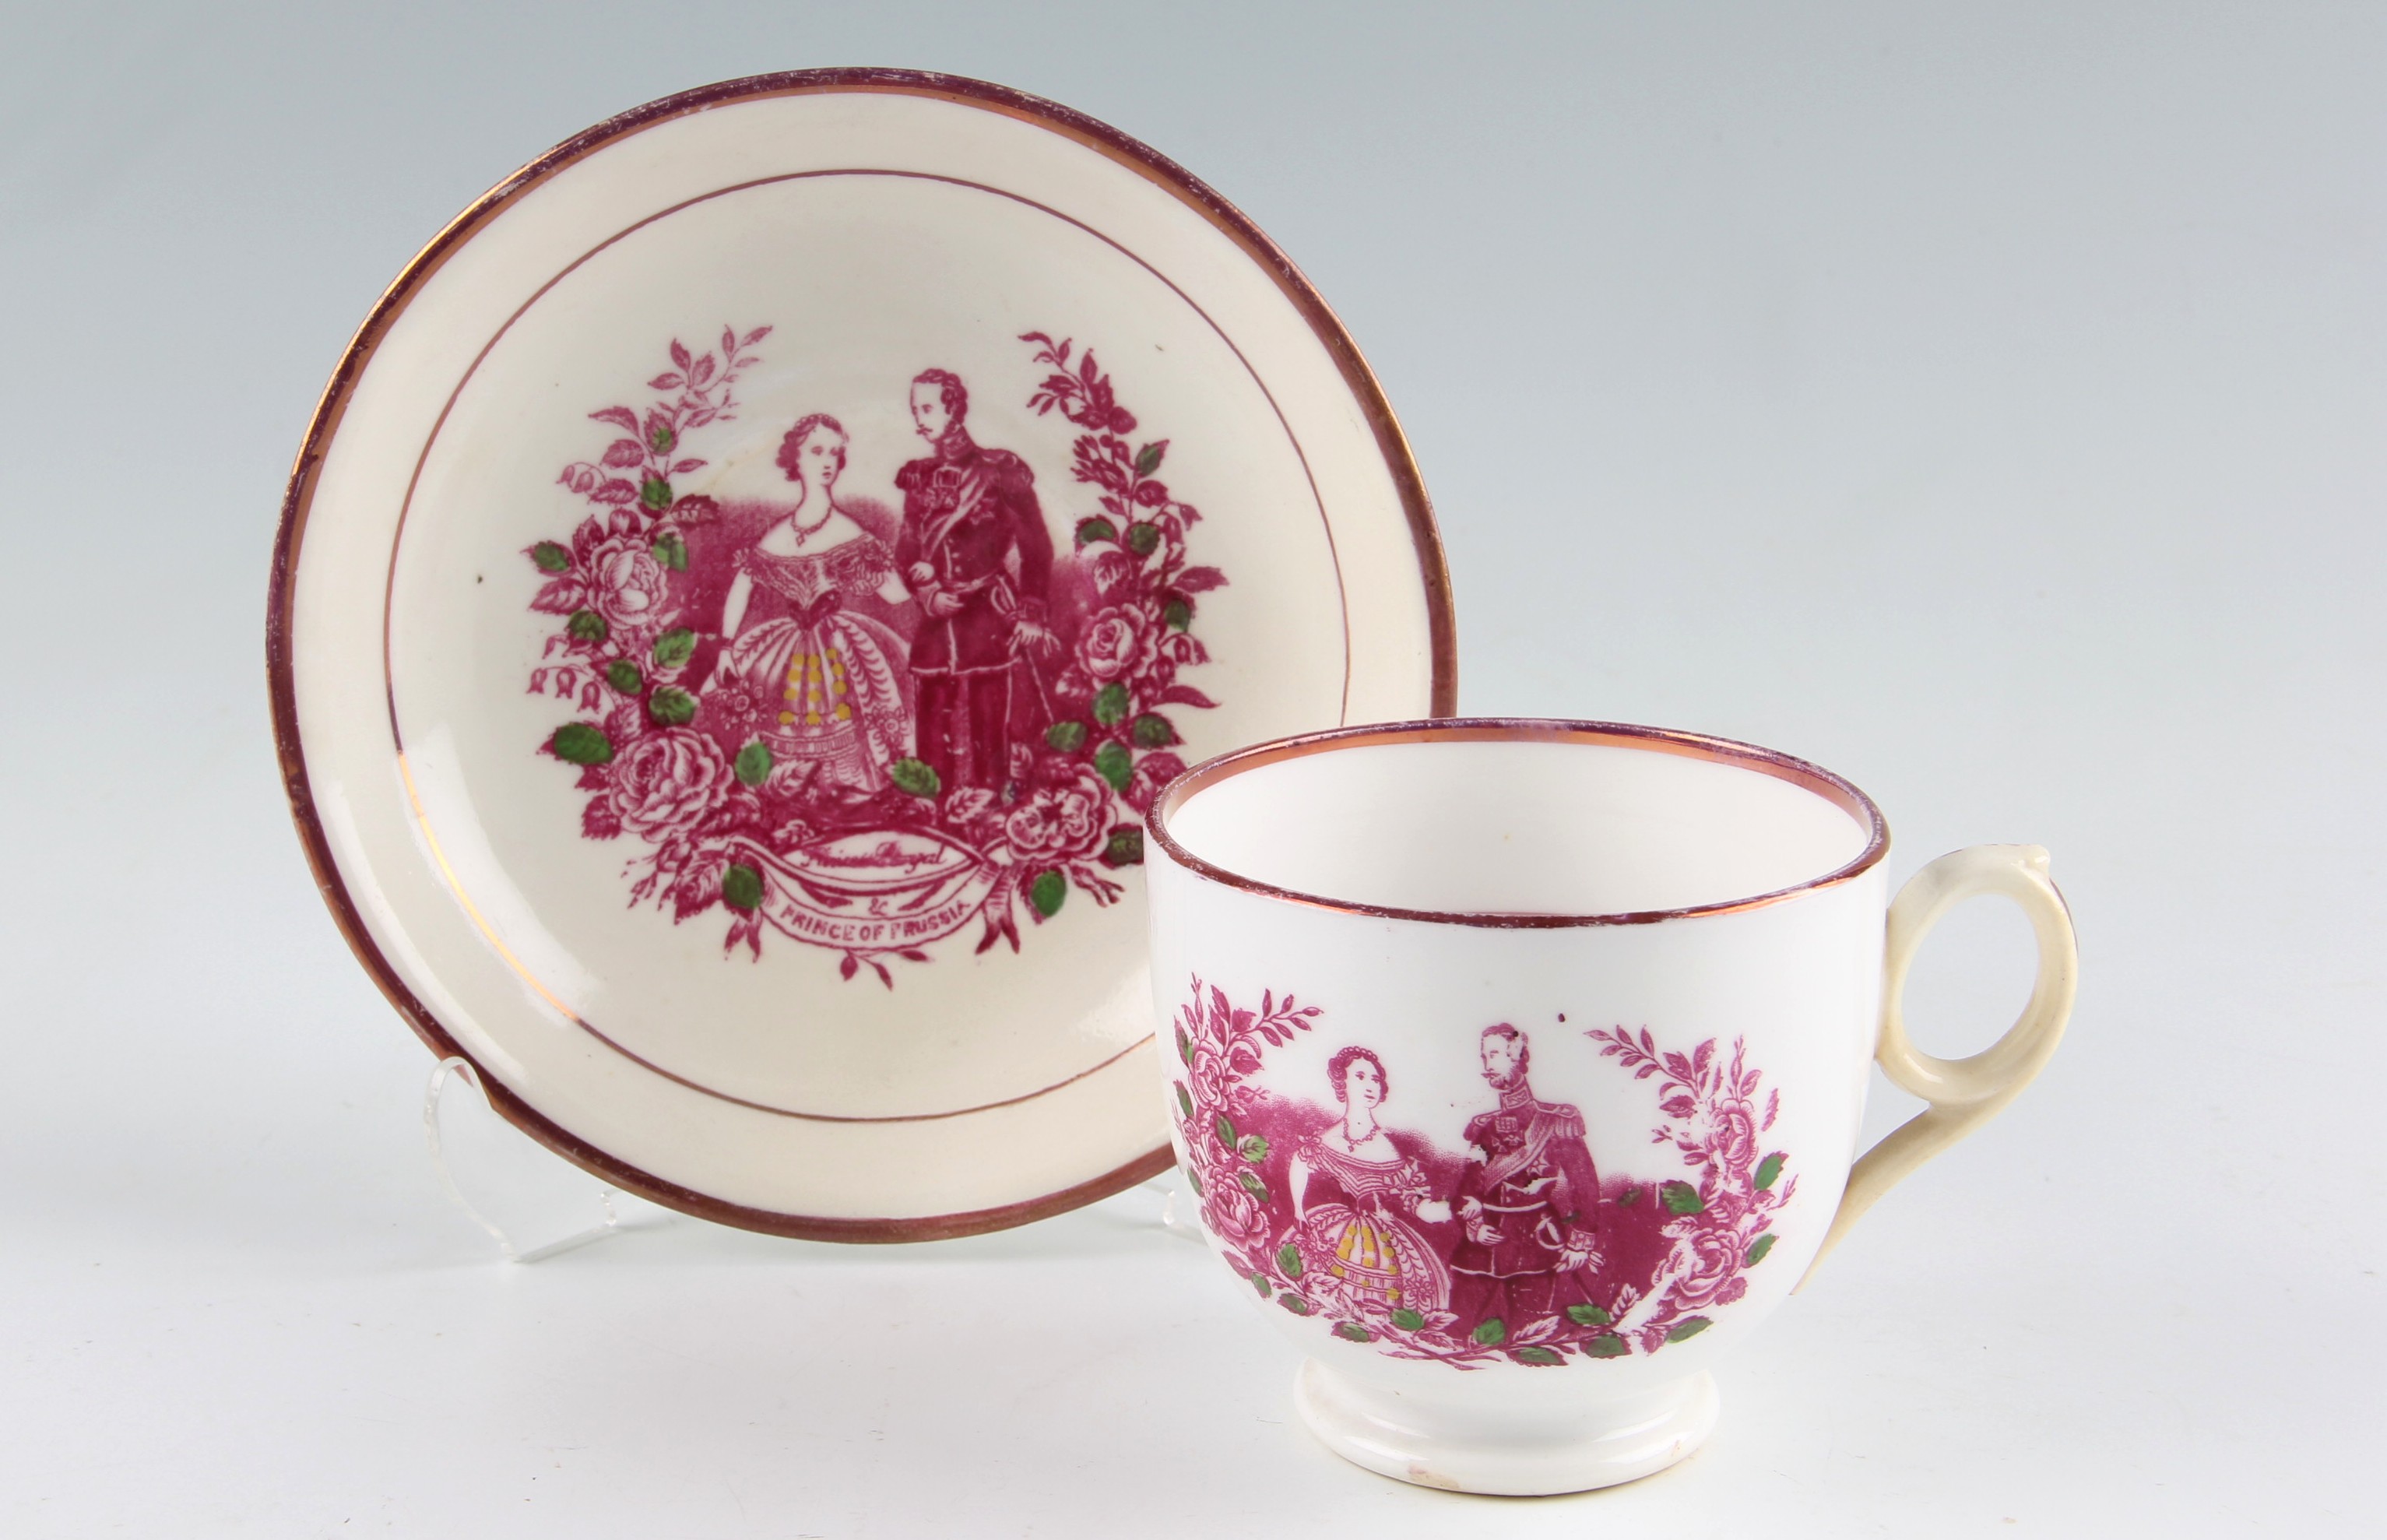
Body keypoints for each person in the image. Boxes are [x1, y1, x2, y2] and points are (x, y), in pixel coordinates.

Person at [710, 414, 913, 794]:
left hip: (837, 647)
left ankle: (845, 790)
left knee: (847, 711)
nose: (828, 462)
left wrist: (918, 565)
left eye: (835, 453)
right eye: (817, 451)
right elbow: (743, 584)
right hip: (786, 648)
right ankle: (786, 792)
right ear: (795, 460)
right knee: (779, 708)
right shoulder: (778, 534)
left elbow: (895, 595)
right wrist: (725, 646)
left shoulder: (850, 532)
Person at [892, 368, 1057, 794]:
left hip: (987, 612)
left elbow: (1036, 546)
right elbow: (907, 550)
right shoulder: (918, 476)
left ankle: (992, 804)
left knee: (989, 719)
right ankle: (932, 807)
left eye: (927, 408)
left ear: (953, 408)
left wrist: (1033, 613)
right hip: (938, 619)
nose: (919, 419)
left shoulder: (999, 470)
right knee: (930, 716)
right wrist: (926, 591)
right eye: (915, 409)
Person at [1447, 1024, 1605, 1335]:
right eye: (1484, 1056)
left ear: (1518, 1056)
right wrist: (1475, 1227)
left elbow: (1583, 1185)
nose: (1487, 1065)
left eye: (1494, 1054)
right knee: (1457, 1328)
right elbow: (1467, 1189)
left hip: (1534, 1243)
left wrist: (1580, 1243)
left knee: (1530, 1334)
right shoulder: (1482, 1127)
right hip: (1482, 1248)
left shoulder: (1557, 1122)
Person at [1287, 1046, 1454, 1317]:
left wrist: (1452, 1210)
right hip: (1333, 1228)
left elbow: (1414, 1202)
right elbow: (1302, 1161)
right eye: (1360, 1076)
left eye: (1375, 1079)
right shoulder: (1329, 1138)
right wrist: (1298, 1210)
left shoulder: (1388, 1149)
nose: (1370, 1085)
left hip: (1381, 1241)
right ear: (1343, 1082)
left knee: (1378, 1304)